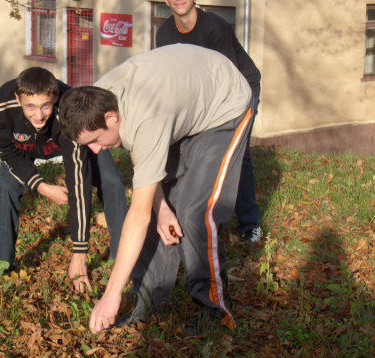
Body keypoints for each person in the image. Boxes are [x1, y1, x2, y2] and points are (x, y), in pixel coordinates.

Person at [58, 44, 254, 334]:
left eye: (97, 140)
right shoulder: (94, 100)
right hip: (179, 101)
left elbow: (136, 215)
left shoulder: (146, 118)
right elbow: (141, 157)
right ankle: (148, 304)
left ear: (111, 117)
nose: (97, 150)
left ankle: (215, 313)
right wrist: (161, 208)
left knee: (194, 214)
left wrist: (110, 296)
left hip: (223, 105)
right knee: (157, 210)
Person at [0, 67, 127, 292]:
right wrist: (42, 186)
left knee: (112, 181)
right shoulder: (1, 106)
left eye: (45, 106)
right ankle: (2, 261)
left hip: (68, 139)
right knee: (5, 188)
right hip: (23, 147)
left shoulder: (69, 112)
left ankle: (121, 257)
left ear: (55, 97)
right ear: (18, 99)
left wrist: (79, 254)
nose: (38, 116)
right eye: (30, 107)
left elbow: (79, 183)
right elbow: (6, 151)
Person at [156, 0, 263, 242]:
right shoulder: (164, 33)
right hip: (201, 98)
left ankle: (250, 223)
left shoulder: (215, 27)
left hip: (240, 90)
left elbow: (227, 80)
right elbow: (171, 77)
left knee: (237, 151)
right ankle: (192, 215)